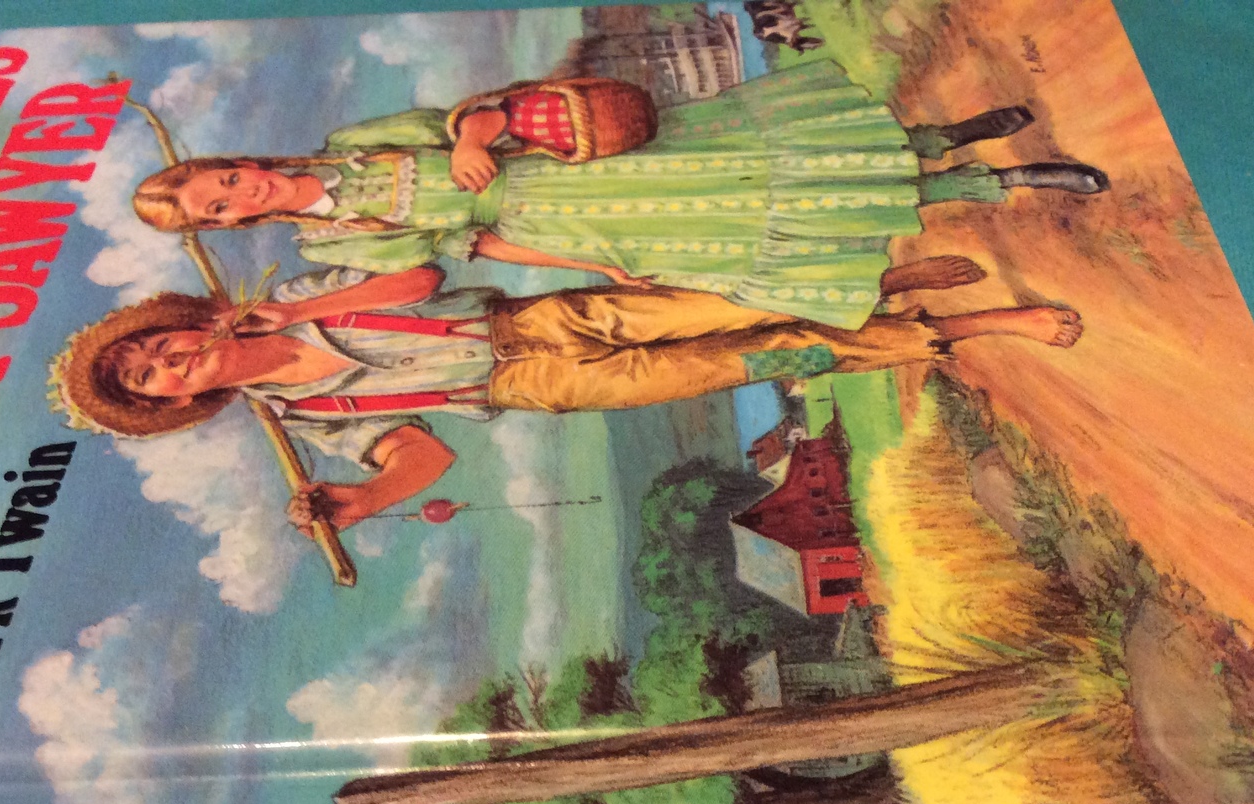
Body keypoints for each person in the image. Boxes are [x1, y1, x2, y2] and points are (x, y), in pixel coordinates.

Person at [53, 265, 1083, 536]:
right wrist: (362, 501)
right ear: (175, 405)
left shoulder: (290, 293)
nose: (167, 361)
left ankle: (886, 282)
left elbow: (418, 281)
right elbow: (427, 458)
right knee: (746, 361)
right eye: (151, 379)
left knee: (729, 302)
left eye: (154, 345)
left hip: (534, 317)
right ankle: (978, 326)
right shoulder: (307, 422)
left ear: (175, 323)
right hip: (529, 383)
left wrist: (293, 311)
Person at [131, 62, 1106, 330]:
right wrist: (588, 262)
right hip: (578, 219)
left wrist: (469, 141)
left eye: (222, 177)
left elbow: (470, 113)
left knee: (775, 160)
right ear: (234, 224)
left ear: (233, 162)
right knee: (774, 210)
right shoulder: (331, 241)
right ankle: (998, 183)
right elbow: (464, 258)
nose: (237, 192)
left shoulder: (350, 146)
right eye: (220, 208)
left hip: (579, 161)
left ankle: (954, 138)